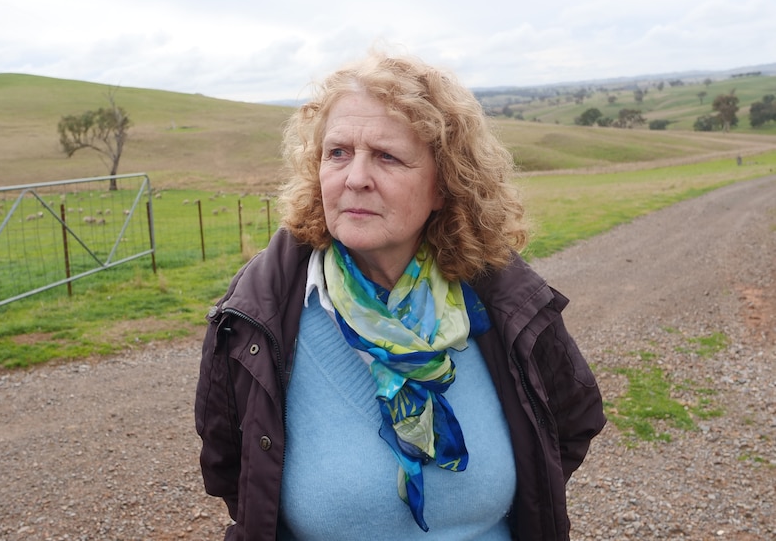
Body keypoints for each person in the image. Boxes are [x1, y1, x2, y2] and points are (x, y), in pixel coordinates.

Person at [195, 51, 606, 541]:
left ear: (444, 185)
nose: (355, 178)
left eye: (387, 156)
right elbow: (231, 470)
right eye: (338, 153)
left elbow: (570, 424)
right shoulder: (254, 316)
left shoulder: (503, 299)